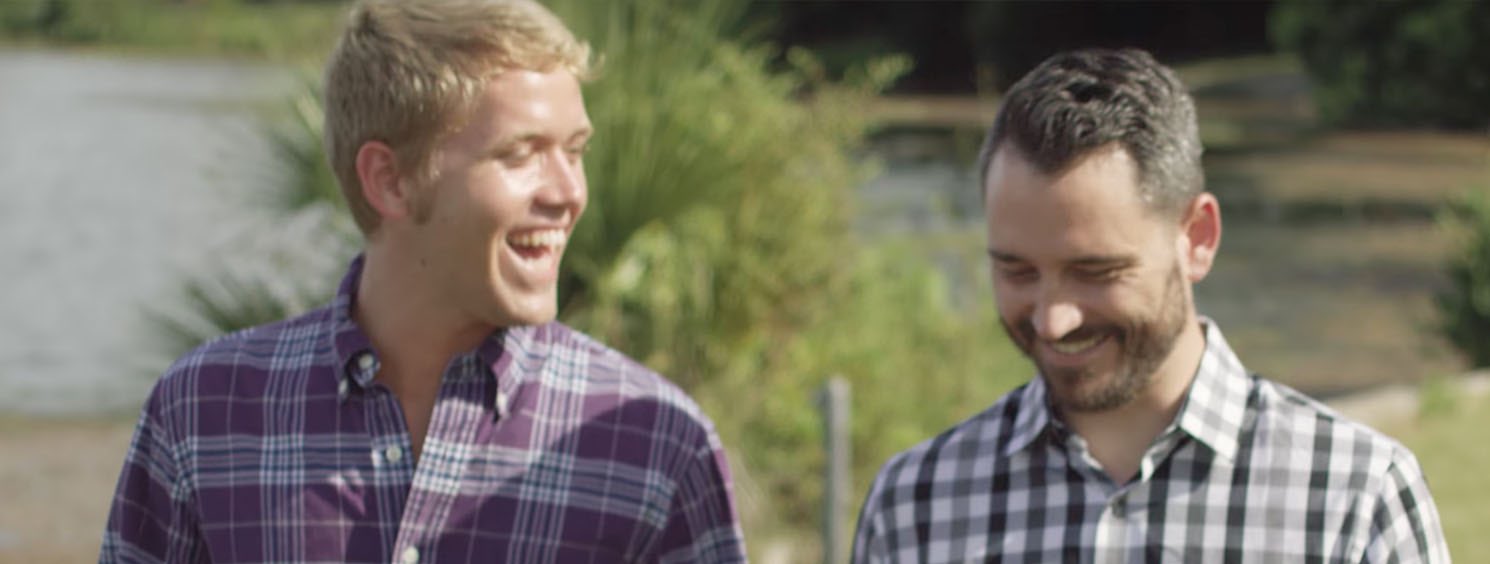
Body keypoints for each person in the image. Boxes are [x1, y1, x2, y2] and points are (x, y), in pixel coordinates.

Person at [100, 1, 746, 562]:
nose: (569, 193)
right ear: (390, 180)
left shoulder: (660, 448)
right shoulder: (202, 412)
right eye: (520, 154)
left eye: (574, 151)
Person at [852, 48, 1449, 563]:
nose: (1053, 319)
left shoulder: (1357, 497)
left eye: (1095, 271)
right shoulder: (913, 506)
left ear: (1197, 238)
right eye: (1016, 270)